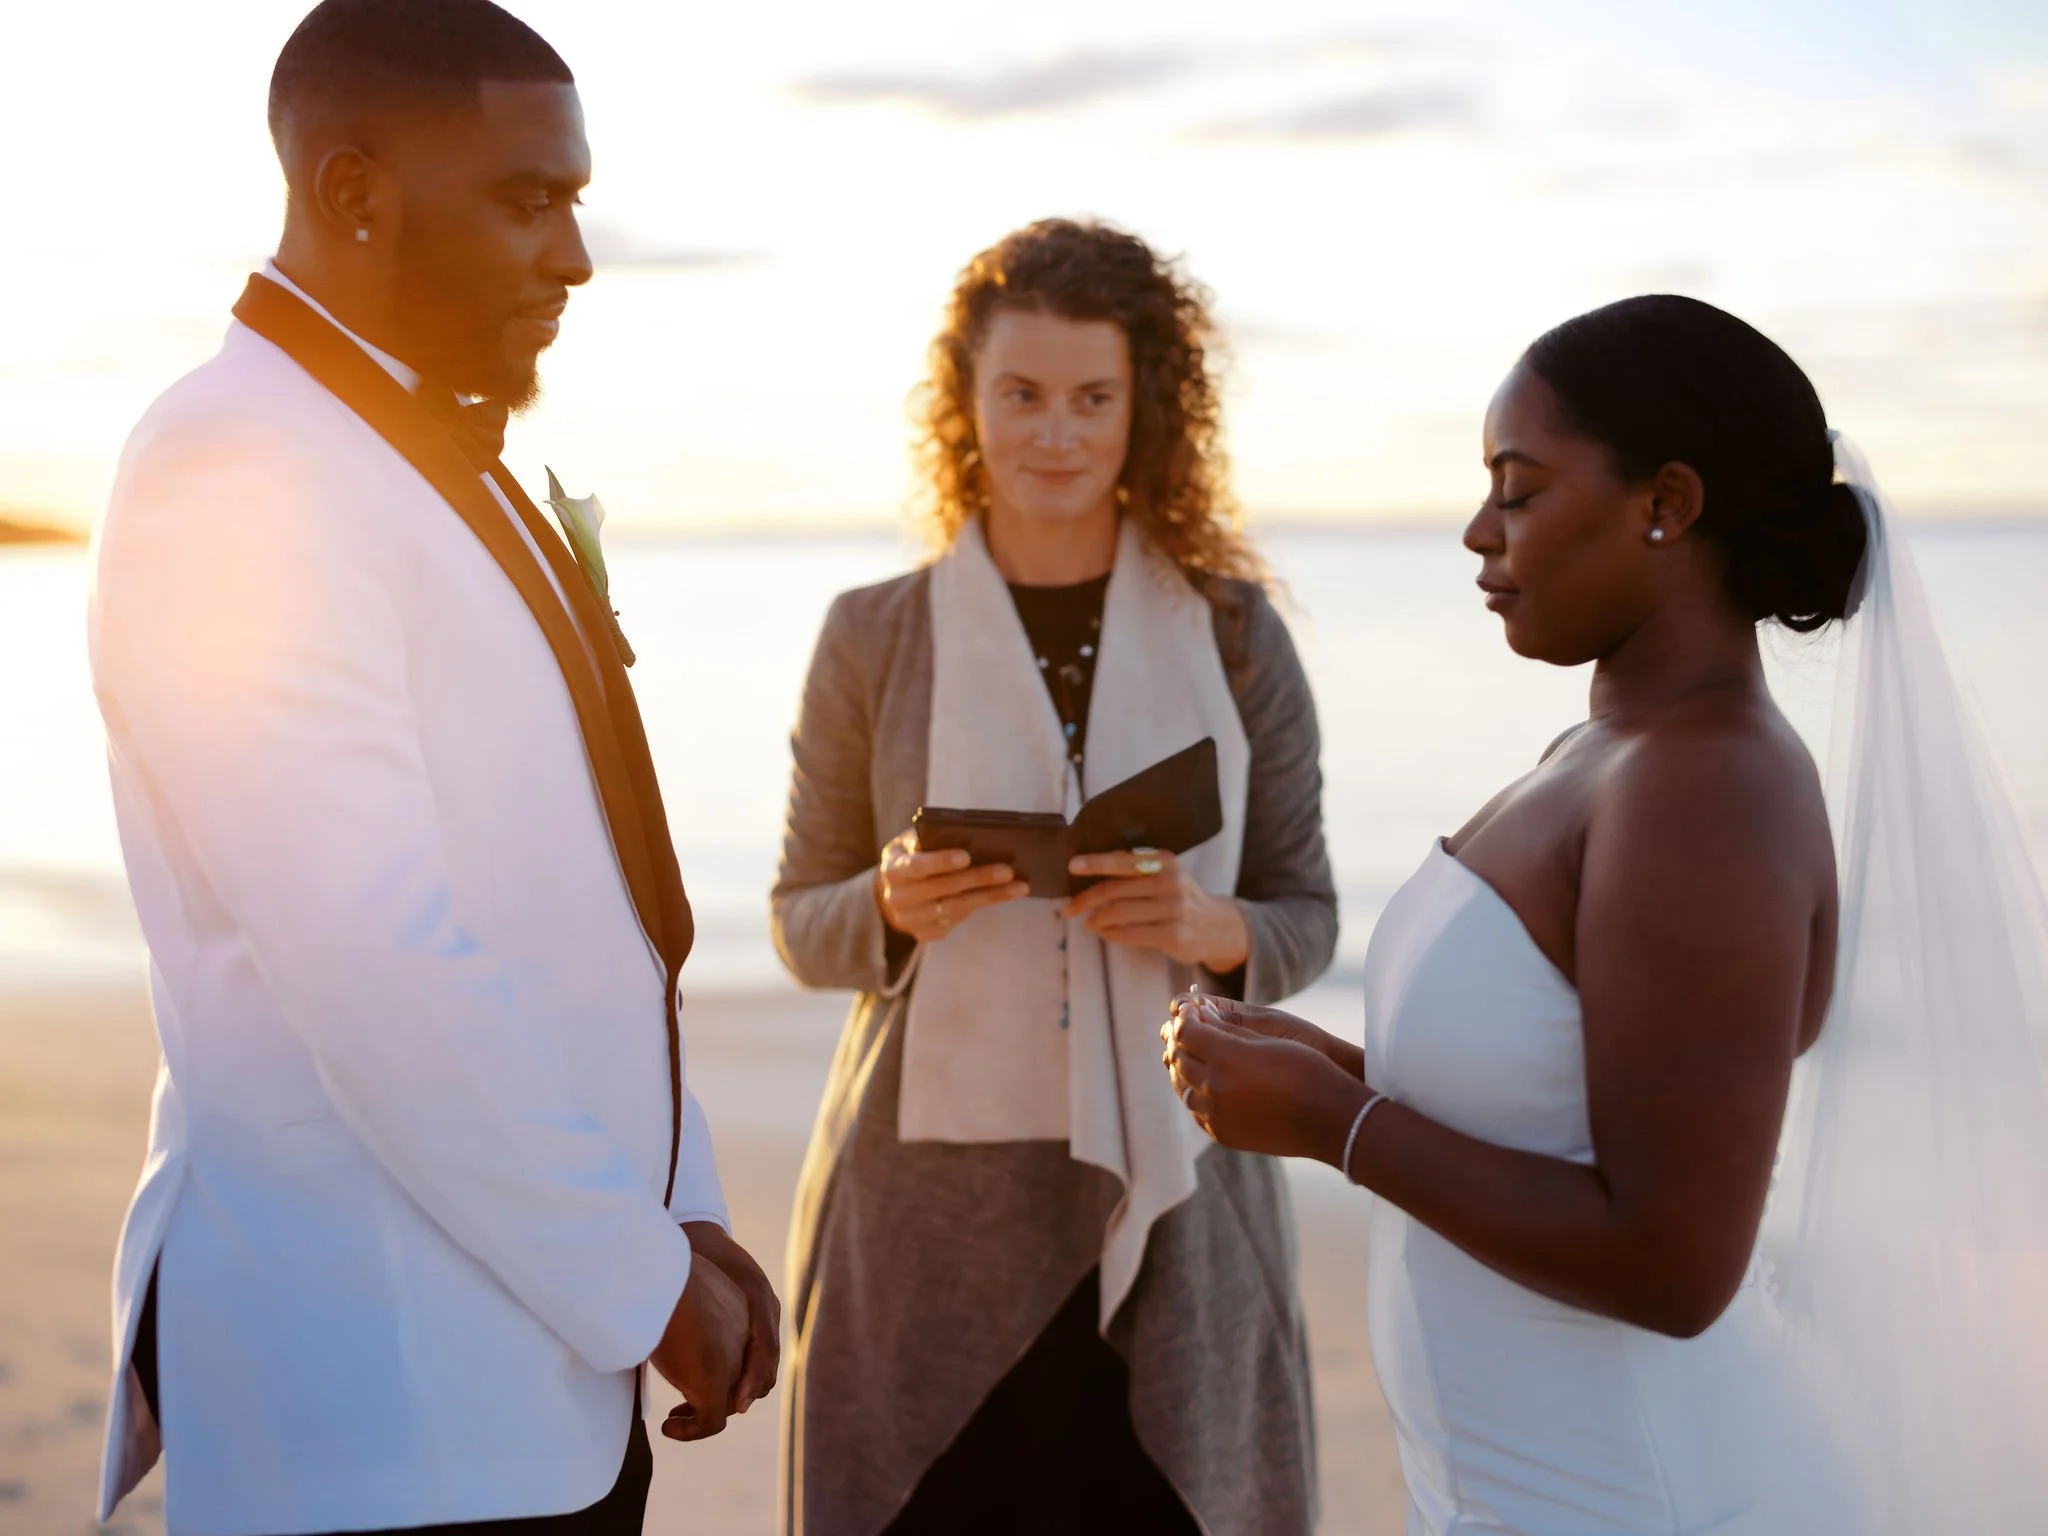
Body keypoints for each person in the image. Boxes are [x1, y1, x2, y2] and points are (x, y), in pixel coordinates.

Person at [88, 4, 777, 1533]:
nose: (577, 257)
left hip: (537, 1399)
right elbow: (377, 962)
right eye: (530, 201)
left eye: (577, 204)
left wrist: (687, 1214)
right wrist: (643, 1282)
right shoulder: (235, 466)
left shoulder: (446, 467)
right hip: (383, 1416)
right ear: (354, 193)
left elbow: (590, 906)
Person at [1166, 295, 1887, 1532]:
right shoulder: (1604, 749)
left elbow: (1671, 1262)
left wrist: (1336, 1121)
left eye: (1518, 489)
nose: (1473, 532)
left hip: (1628, 1493)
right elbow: (1558, 1105)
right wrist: (1327, 1067)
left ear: (1664, 503)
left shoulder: (1703, 785)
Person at [771, 219, 1336, 1536]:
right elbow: (803, 925)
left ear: (1148, 410)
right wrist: (888, 910)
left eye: (1094, 398)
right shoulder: (872, 635)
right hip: (926, 1220)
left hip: (1186, 1208)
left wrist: (1210, 925)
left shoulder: (1239, 637)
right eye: (1020, 395)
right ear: (966, 405)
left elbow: (1303, 912)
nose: (1056, 435)